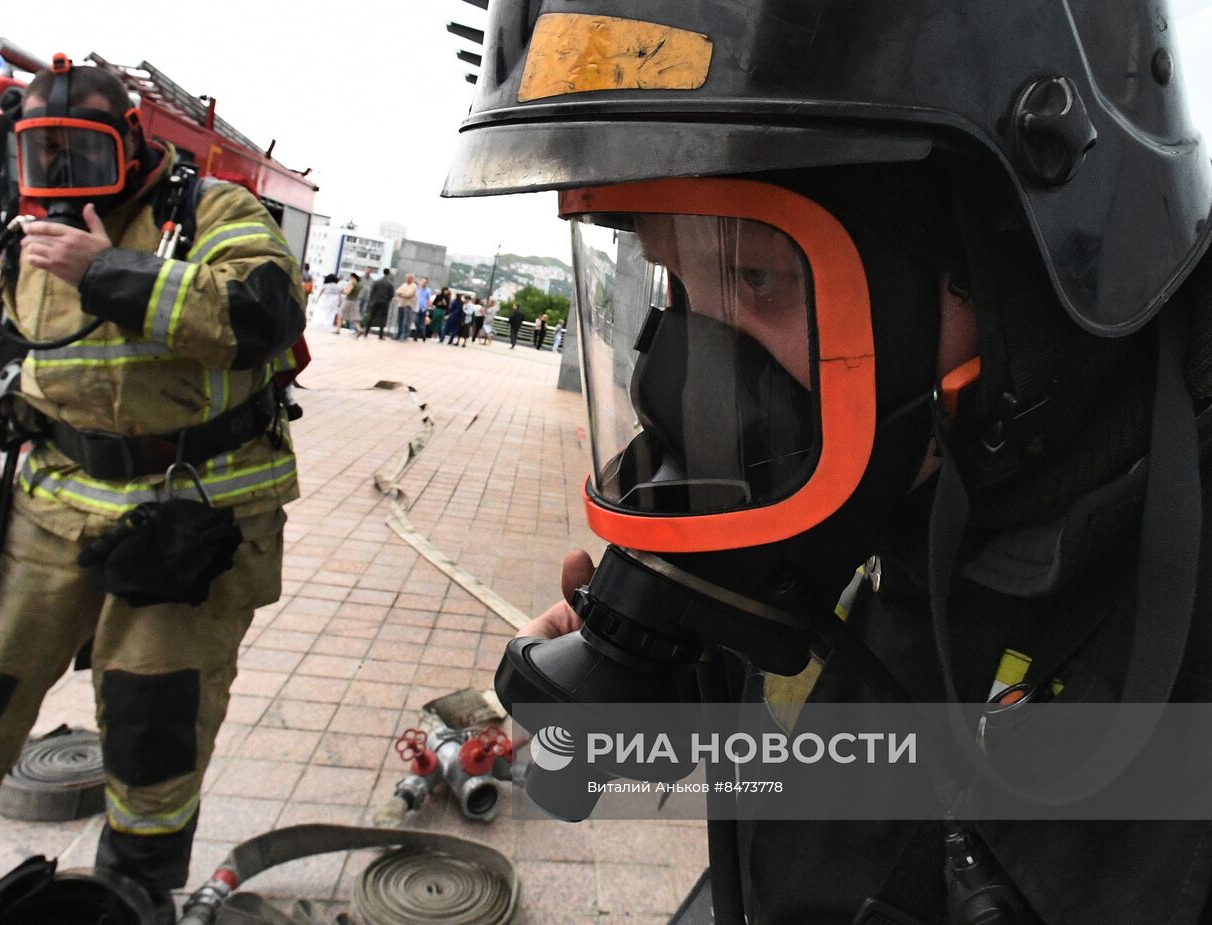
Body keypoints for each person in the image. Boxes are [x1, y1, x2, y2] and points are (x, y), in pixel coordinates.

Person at [444, 4, 1212, 924]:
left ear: (1009, 262)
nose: (683, 382)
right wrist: (696, 669)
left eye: (757, 276)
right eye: (674, 285)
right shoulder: (920, 487)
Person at [0, 60, 306, 925]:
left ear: (134, 143)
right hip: (51, 506)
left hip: (190, 518)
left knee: (159, 719)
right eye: (46, 157)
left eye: (83, 153)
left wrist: (109, 270)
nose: (65, 178)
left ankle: (133, 895)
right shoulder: (26, 233)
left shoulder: (212, 213)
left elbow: (262, 316)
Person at [358, 268, 395, 339]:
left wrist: (373, 299)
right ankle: (380, 335)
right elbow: (391, 294)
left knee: (372, 316)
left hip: (376, 301)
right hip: (384, 302)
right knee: (383, 318)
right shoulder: (390, 284)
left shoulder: (377, 282)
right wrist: (387, 300)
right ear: (388, 274)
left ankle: (366, 333)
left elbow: (372, 291)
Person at [393, 272, 418, 342]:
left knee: (406, 321)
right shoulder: (403, 285)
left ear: (412, 279)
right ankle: (399, 334)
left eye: (409, 278)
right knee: (399, 320)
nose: (407, 279)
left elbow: (409, 294)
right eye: (407, 278)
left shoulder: (414, 286)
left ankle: (404, 335)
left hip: (408, 305)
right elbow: (397, 291)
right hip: (401, 304)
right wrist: (403, 293)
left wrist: (401, 294)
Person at [414, 277, 432, 342]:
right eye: (423, 281)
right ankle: (422, 334)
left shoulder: (428, 290)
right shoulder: (417, 289)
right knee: (417, 322)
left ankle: (416, 337)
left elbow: (429, 300)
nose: (424, 283)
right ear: (421, 281)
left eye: (425, 282)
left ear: (427, 283)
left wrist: (428, 310)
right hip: (417, 308)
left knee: (422, 323)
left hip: (424, 309)